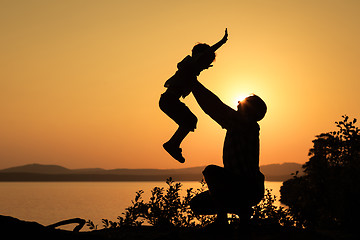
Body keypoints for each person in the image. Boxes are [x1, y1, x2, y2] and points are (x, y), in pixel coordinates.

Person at [189, 80, 267, 227]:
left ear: (250, 110)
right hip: (237, 186)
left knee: (211, 171)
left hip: (248, 187)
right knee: (197, 204)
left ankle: (223, 221)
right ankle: (242, 211)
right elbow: (214, 107)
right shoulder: (239, 125)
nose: (237, 103)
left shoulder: (246, 125)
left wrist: (193, 82)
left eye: (243, 102)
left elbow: (214, 107)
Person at [159, 29, 228, 163]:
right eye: (206, 63)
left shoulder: (191, 69)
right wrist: (222, 42)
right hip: (169, 101)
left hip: (169, 101)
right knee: (190, 121)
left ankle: (173, 144)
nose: (205, 67)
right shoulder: (190, 65)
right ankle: (172, 144)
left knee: (190, 121)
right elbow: (204, 55)